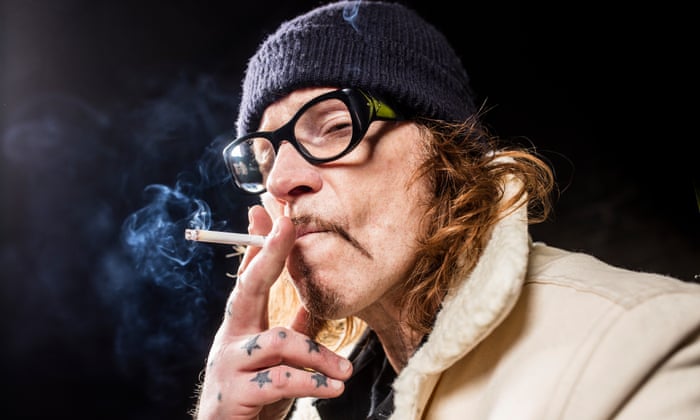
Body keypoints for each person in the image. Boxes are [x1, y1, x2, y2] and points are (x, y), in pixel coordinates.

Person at [191, 1, 700, 419]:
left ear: (444, 152)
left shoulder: (636, 347)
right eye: (263, 160)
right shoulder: (299, 405)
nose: (281, 181)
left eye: (335, 127)